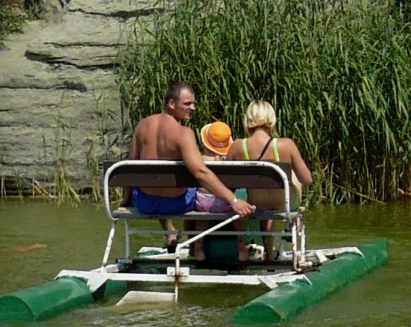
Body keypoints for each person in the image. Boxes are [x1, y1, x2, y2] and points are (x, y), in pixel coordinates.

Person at [128, 82, 249, 251]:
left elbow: (130, 167)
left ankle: (170, 231)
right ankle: (196, 246)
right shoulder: (183, 134)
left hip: (145, 202)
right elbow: (200, 172)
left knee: (159, 184)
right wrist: (233, 200)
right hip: (178, 204)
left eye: (193, 104)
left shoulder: (142, 126)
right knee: (199, 194)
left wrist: (125, 201)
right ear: (171, 104)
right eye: (187, 104)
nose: (193, 108)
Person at [234, 99, 313, 262]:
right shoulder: (286, 145)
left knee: (256, 195)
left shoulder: (237, 146)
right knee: (293, 178)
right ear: (271, 119)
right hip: (283, 203)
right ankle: (290, 226)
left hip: (257, 203)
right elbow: (307, 179)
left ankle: (254, 249)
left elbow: (229, 183)